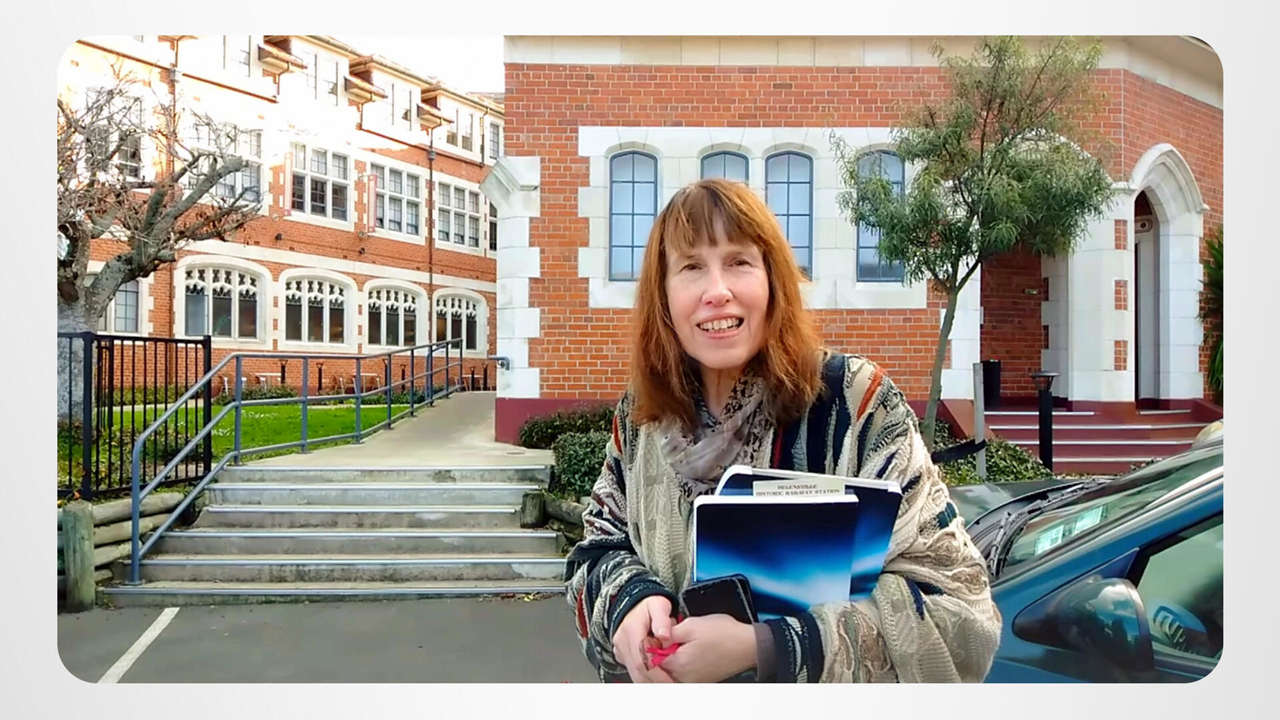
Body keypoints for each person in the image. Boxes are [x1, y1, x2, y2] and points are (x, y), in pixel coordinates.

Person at [564, 178, 1001, 683]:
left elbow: (961, 613)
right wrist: (628, 602)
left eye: (738, 262)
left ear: (773, 280)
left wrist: (769, 647)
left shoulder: (857, 407)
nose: (717, 291)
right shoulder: (641, 418)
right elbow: (595, 553)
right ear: (662, 294)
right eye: (691, 267)